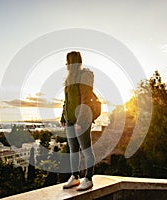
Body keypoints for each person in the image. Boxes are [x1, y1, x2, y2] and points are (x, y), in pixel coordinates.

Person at [61, 51, 95, 191]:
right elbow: (67, 101)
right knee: (73, 150)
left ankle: (88, 178)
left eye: (68, 62)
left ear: (73, 63)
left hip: (81, 121)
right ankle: (75, 177)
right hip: (69, 120)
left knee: (86, 150)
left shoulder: (84, 77)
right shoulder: (69, 80)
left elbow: (85, 100)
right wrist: (63, 117)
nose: (66, 65)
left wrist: (80, 121)